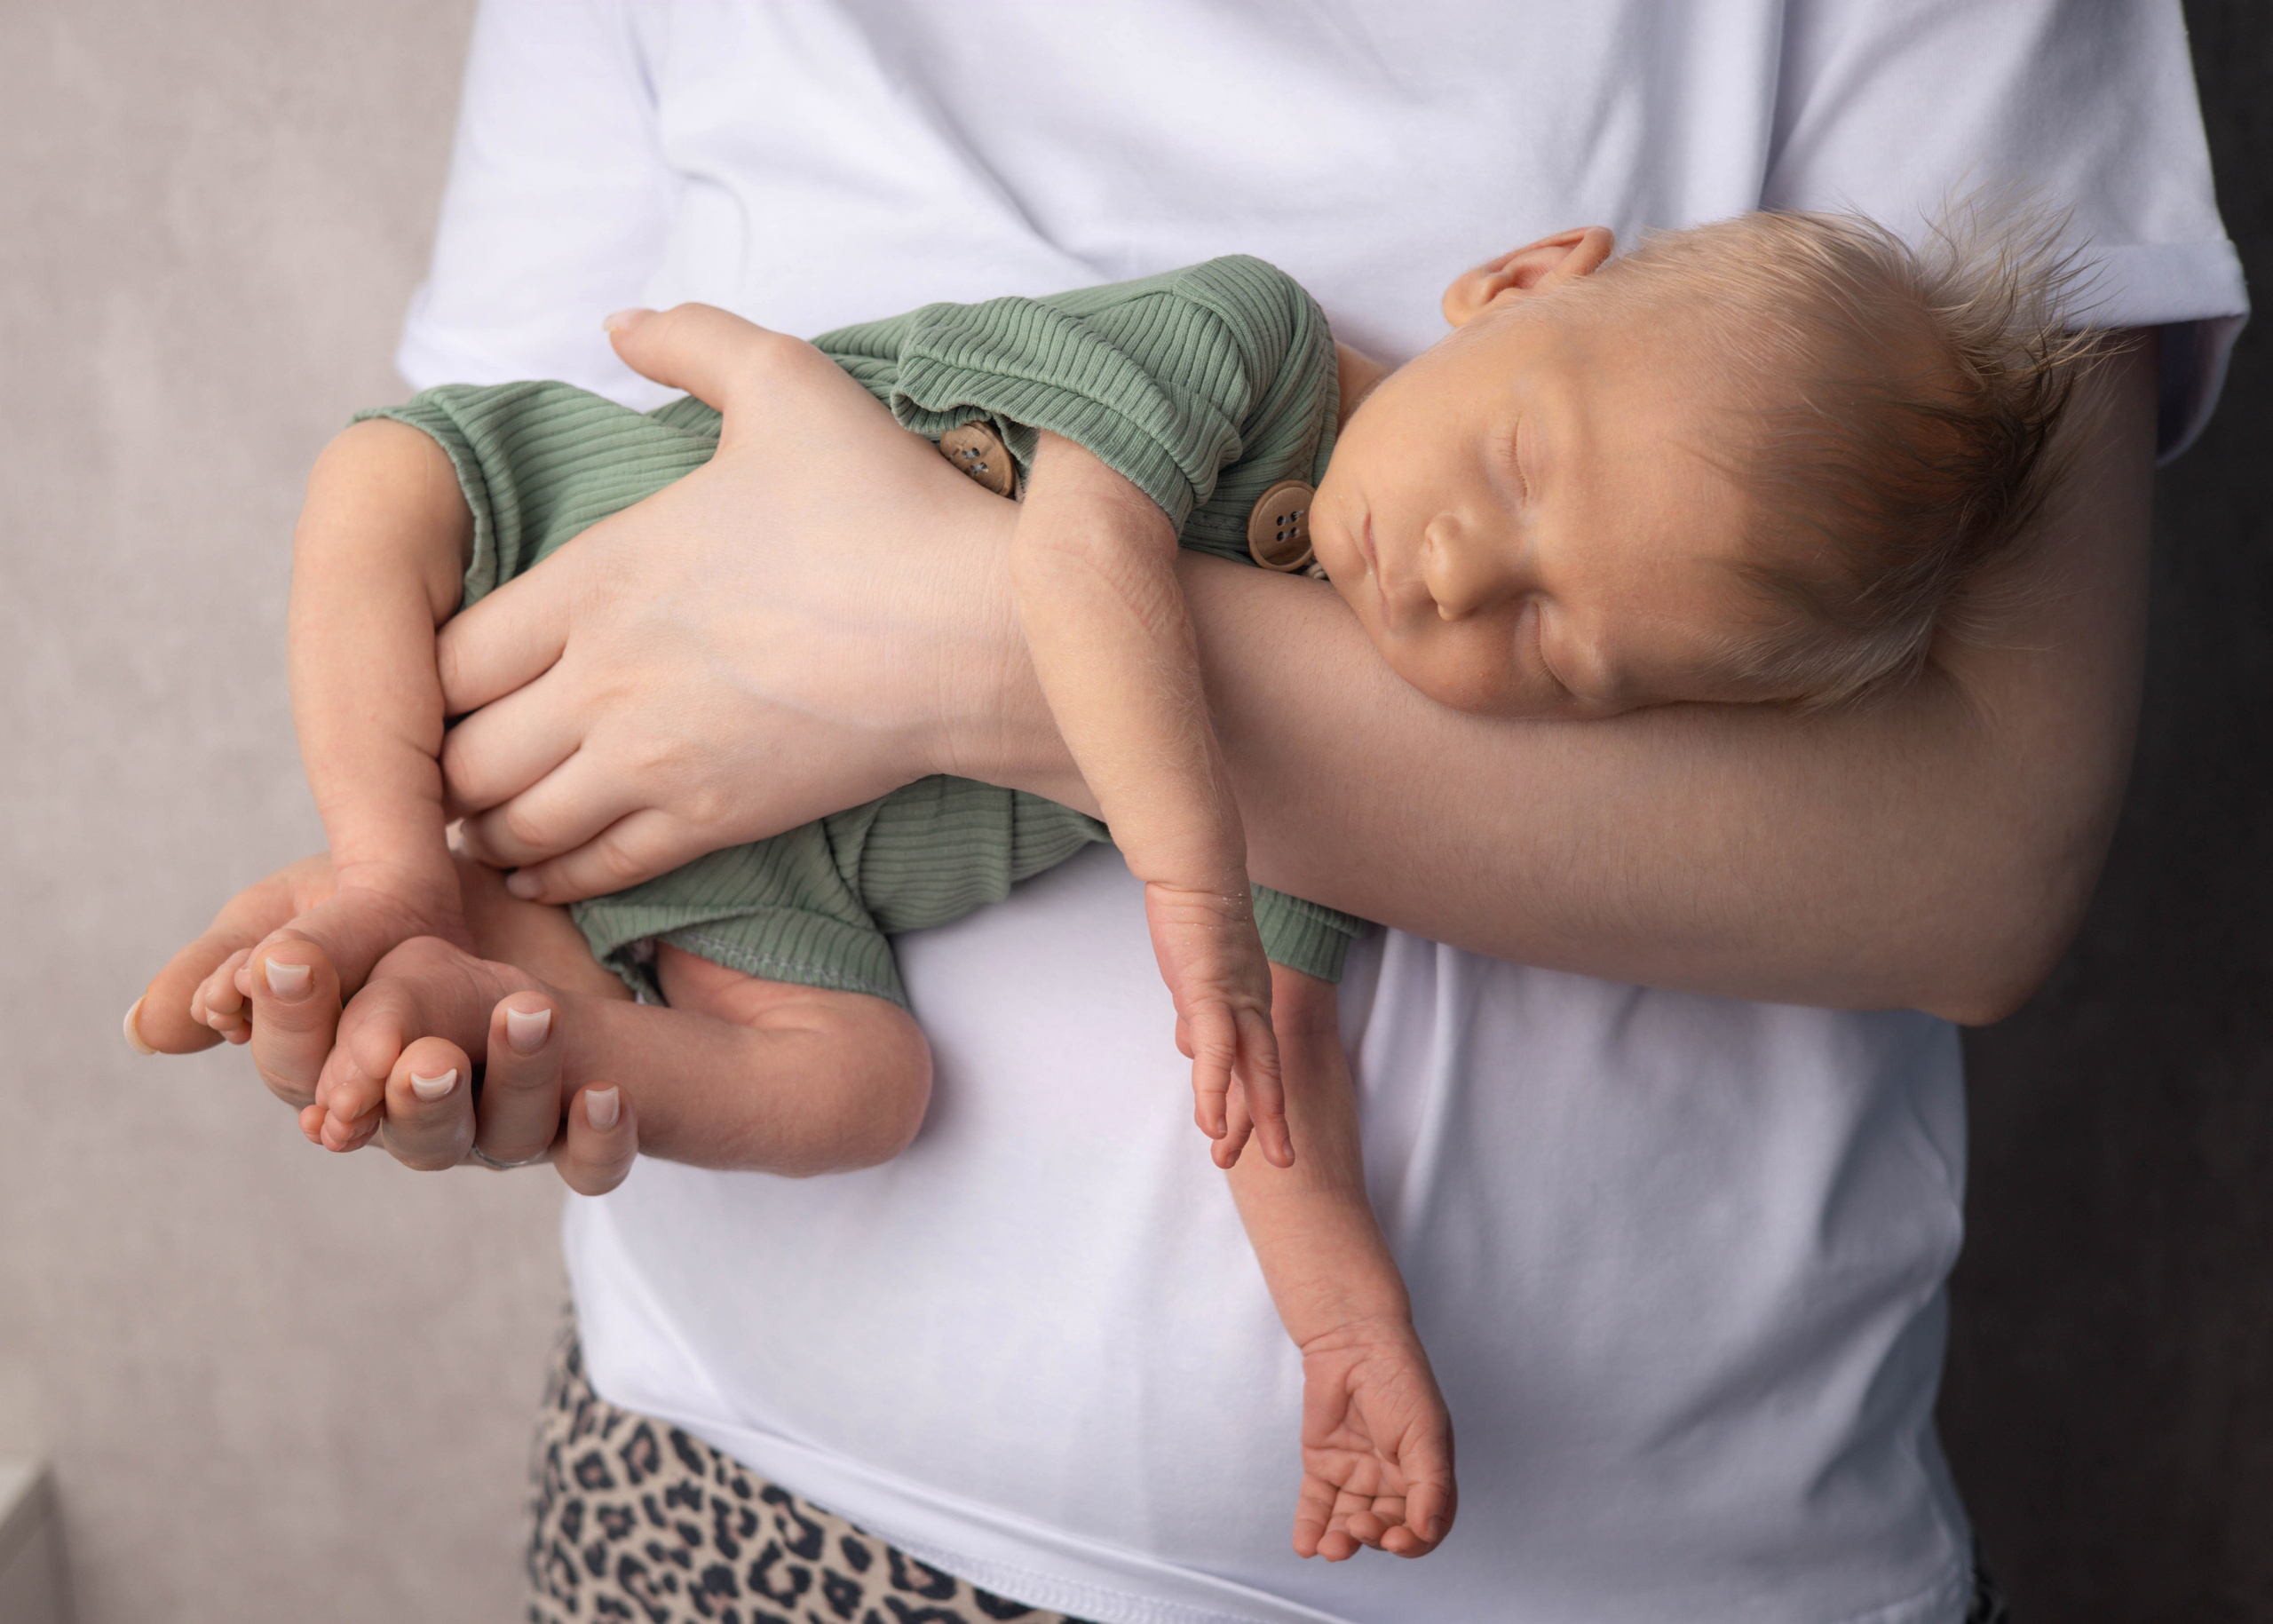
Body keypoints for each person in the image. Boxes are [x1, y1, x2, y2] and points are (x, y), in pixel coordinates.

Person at [134, 4, 2249, 1620]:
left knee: (848, 1080)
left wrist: (1347, 1331)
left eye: (1560, 665)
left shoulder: (1367, 653)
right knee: (383, 484)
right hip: (749, 1470)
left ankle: (568, 1029)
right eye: (1506, 483)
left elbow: (1286, 1072)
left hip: (1627, 1564)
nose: (1445, 590)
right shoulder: (1235, 338)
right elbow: (1070, 569)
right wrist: (1193, 899)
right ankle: (402, 883)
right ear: (1515, 283)